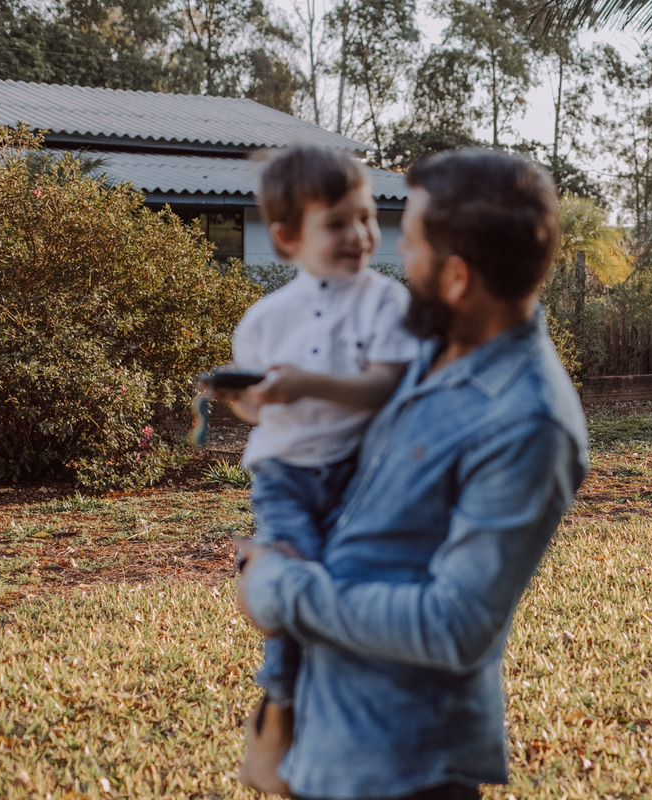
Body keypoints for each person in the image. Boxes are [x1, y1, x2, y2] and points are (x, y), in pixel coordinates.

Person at [235, 149, 588, 800]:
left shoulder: (527, 421)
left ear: (456, 277)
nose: (393, 252)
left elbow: (455, 624)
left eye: (412, 242)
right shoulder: (425, 345)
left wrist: (281, 589)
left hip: (405, 764)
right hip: (328, 737)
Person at [220, 147, 420, 792]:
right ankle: (278, 710)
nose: (360, 234)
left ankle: (342, 711)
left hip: (357, 474)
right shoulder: (264, 320)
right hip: (283, 477)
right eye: (337, 223)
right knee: (298, 585)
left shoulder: (386, 302)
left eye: (366, 217)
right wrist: (245, 399)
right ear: (287, 238)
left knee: (343, 588)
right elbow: (257, 411)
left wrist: (306, 384)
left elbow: (383, 388)